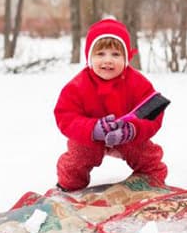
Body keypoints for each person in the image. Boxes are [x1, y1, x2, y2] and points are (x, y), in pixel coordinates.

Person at [54, 18, 167, 191]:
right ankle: (69, 185)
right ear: (90, 57)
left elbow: (153, 114)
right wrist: (92, 129)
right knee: (77, 158)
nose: (108, 60)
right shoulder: (77, 86)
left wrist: (133, 129)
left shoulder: (137, 83)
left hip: (127, 136)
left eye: (115, 54)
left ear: (126, 58)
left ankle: (152, 180)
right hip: (90, 139)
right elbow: (65, 116)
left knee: (146, 153)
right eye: (100, 54)